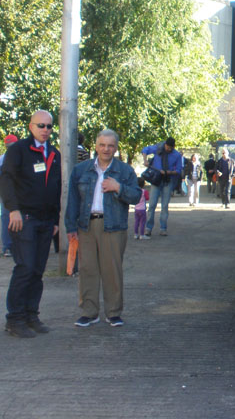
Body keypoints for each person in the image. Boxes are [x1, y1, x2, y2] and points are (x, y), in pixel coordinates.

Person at [65, 129, 141, 328]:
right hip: (86, 225)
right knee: (87, 269)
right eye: (102, 145)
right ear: (96, 146)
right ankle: (89, 312)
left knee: (112, 271)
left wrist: (119, 188)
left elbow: (136, 196)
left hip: (113, 226)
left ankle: (113, 313)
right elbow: (73, 200)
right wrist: (70, 226)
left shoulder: (124, 171)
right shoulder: (81, 170)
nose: (106, 149)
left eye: (110, 145)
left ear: (116, 148)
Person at [0, 110, 61, 338]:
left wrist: (55, 220)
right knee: (25, 268)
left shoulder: (54, 153)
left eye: (49, 126)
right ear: (31, 126)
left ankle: (31, 315)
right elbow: (4, 180)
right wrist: (13, 209)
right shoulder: (18, 151)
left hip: (46, 222)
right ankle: (14, 319)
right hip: (24, 220)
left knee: (37, 270)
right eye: (40, 125)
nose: (45, 130)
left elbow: (56, 188)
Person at [141, 137, 183, 237]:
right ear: (165, 144)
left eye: (170, 148)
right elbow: (145, 150)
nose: (168, 149)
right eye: (167, 147)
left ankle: (163, 228)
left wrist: (169, 172)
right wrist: (145, 160)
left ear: (173, 147)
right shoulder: (158, 148)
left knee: (164, 206)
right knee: (152, 205)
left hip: (168, 181)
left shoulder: (176, 155)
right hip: (156, 180)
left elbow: (178, 170)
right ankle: (148, 228)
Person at [0, 134, 18, 257]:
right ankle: (15, 246)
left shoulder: (2, 158)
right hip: (16, 193)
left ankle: (7, 247)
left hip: (4, 193)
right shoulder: (19, 157)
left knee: (6, 219)